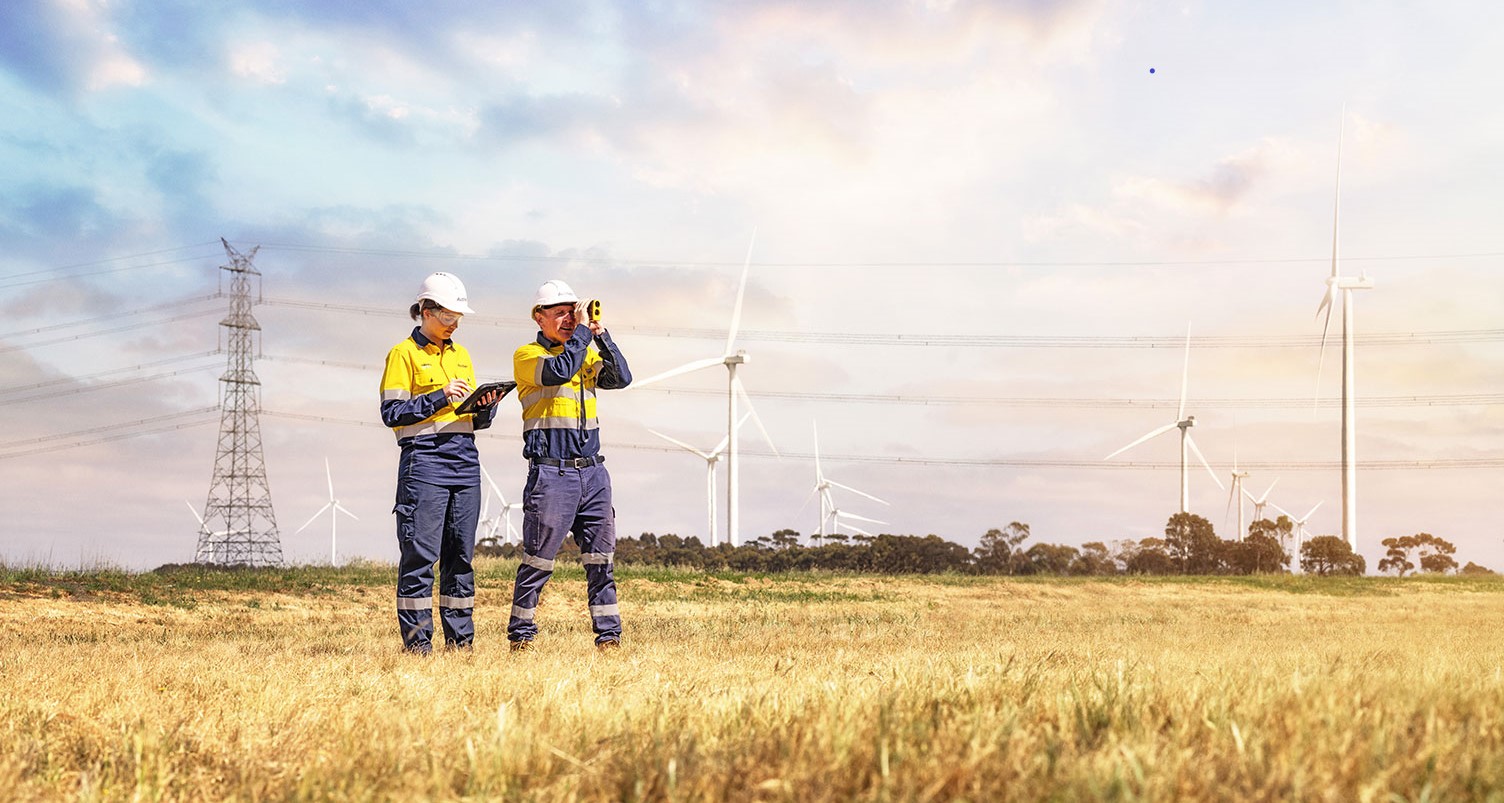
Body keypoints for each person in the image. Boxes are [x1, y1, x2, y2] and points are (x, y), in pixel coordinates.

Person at [379, 272, 504, 654]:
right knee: (420, 557)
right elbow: (392, 412)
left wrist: (484, 409)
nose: (455, 324)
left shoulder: (461, 355)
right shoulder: (403, 354)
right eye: (449, 316)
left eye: (459, 318)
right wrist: (439, 395)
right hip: (425, 462)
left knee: (461, 558)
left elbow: (469, 417)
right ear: (426, 311)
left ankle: (461, 645)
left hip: (465, 460)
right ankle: (418, 648)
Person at [508, 279, 632, 652]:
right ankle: (521, 636)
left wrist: (601, 336)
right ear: (539, 316)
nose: (567, 319)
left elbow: (622, 378)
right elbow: (559, 371)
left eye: (571, 312)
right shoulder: (528, 356)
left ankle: (609, 637)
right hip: (552, 473)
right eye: (560, 312)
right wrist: (580, 336)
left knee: (601, 559)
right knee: (538, 560)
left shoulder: (585, 353)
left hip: (593, 473)